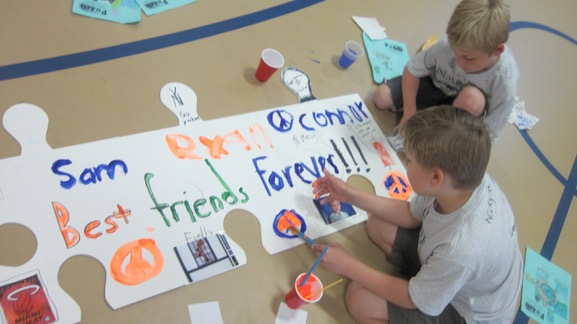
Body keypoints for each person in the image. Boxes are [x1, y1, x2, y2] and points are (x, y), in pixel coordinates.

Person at [311, 106, 522, 323]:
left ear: (435, 177)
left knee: (358, 298)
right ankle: (430, 282)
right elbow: (411, 214)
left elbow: (413, 299)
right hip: (461, 273)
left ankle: (429, 284)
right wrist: (349, 195)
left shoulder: (460, 249)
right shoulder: (460, 178)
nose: (404, 162)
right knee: (377, 225)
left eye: (409, 160)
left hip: (467, 312)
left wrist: (348, 265)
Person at [373, 0, 519, 142]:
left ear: (497, 51)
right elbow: (412, 70)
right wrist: (409, 113)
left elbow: (490, 133)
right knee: (382, 97)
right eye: (455, 52)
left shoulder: (505, 79)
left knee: (472, 100)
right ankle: (432, 114)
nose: (459, 62)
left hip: (467, 106)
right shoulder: (447, 46)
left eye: (469, 58)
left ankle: (445, 128)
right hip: (436, 85)